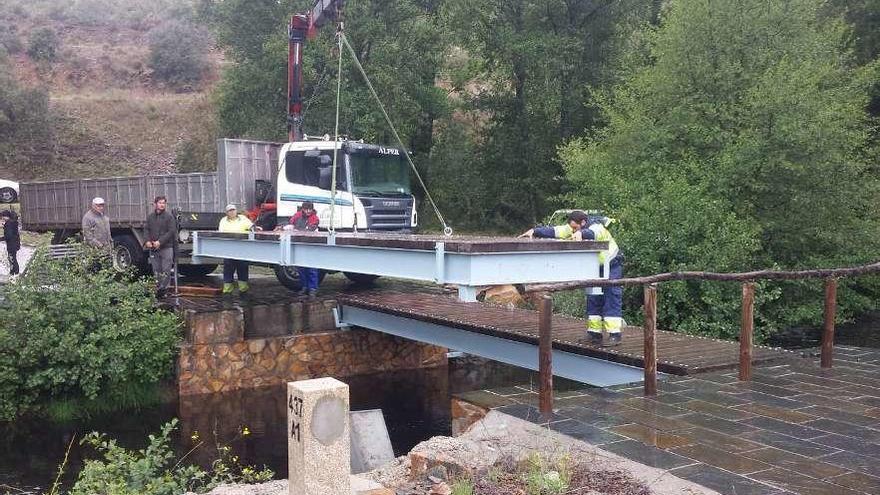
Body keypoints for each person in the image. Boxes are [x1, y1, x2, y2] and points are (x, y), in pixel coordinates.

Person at [521, 210, 624, 346]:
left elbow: (592, 234)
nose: (573, 230)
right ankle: (594, 334)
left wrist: (581, 233)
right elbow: (555, 231)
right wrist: (535, 231)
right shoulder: (574, 228)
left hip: (611, 266)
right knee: (593, 298)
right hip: (595, 268)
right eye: (572, 228)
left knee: (611, 297)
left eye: (576, 228)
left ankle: (614, 335)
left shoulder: (597, 227)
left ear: (583, 222)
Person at [218, 204, 258, 295]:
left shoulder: (243, 218)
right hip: (228, 250)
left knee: (243, 268)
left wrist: (254, 228)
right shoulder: (223, 221)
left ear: (236, 211)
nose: (232, 212)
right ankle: (227, 291)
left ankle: (243, 290)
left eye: (233, 210)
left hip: (242, 249)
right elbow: (221, 234)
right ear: (226, 213)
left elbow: (252, 227)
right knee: (228, 269)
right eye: (230, 210)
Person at [144, 195, 177, 298]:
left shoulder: (169, 217)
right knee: (156, 269)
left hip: (166, 247)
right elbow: (146, 230)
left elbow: (171, 231)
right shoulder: (150, 217)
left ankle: (164, 290)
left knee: (166, 269)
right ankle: (158, 289)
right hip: (153, 248)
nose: (162, 205)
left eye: (164, 203)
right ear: (155, 204)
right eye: (160, 203)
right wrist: (147, 241)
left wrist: (160, 241)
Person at [289, 201, 320, 298]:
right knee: (301, 268)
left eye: (310, 209)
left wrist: (298, 230)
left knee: (312, 268)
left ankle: (313, 289)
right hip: (300, 244)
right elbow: (290, 223)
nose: (308, 211)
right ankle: (304, 287)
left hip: (311, 245)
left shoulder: (315, 218)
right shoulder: (297, 216)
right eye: (306, 209)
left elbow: (311, 229)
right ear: (302, 209)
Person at [82, 197, 112, 268]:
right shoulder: (88, 217)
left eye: (102, 205)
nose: (101, 207)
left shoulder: (103, 216)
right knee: (95, 268)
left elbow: (107, 232)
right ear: (93, 206)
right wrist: (99, 245)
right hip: (94, 251)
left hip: (106, 249)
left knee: (106, 269)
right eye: (98, 205)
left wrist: (110, 244)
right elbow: (88, 236)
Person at [1, 210, 20, 276]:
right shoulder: (13, 223)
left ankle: (13, 273)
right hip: (15, 243)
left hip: (11, 244)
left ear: (6, 216)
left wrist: (1, 239)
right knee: (13, 258)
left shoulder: (8, 224)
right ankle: (15, 273)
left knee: (12, 259)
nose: (2, 219)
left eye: (3, 217)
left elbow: (8, 236)